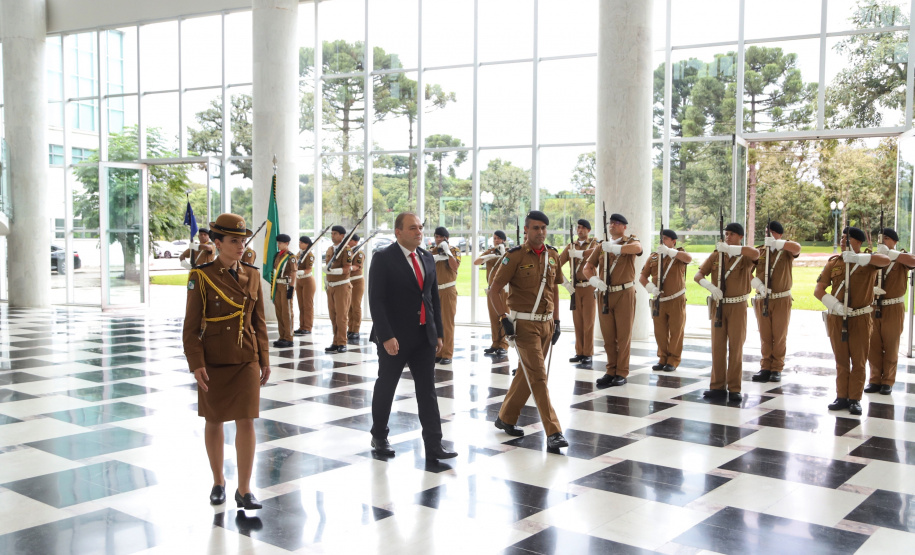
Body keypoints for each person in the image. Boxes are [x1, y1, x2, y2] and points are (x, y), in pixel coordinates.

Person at [182, 213, 270, 510]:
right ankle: (218, 481)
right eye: (234, 241)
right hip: (215, 358)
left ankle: (244, 489)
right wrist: (196, 363)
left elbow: (258, 322)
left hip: (246, 356)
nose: (241, 246)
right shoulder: (201, 276)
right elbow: (190, 327)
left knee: (247, 420)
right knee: (215, 419)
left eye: (243, 240)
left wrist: (265, 359)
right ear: (217, 243)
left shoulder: (252, 274)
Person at [368, 212, 457, 460]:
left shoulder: (427, 257)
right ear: (398, 232)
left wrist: (438, 333)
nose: (419, 232)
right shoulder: (383, 258)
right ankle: (379, 435)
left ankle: (434, 444)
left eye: (420, 227)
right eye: (413, 228)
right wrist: (386, 336)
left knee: (427, 390)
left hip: (423, 336)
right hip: (394, 337)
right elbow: (376, 300)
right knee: (387, 386)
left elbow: (433, 299)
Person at [489, 210, 568, 450]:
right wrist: (503, 317)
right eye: (535, 228)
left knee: (527, 373)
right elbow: (494, 289)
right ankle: (554, 432)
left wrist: (557, 321)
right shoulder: (514, 256)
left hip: (546, 324)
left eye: (543, 228)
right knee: (539, 377)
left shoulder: (553, 255)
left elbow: (554, 288)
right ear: (526, 230)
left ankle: (506, 418)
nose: (540, 232)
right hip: (524, 325)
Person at [815, 226, 889, 415]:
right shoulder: (834, 263)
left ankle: (855, 399)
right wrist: (835, 305)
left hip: (860, 317)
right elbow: (819, 290)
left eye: (847, 238)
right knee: (841, 360)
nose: (842, 241)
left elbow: (886, 260)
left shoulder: (868, 260)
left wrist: (860, 258)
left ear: (858, 242)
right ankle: (841, 396)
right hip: (837, 317)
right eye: (841, 238)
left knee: (858, 361)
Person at [695, 222, 760, 402]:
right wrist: (710, 287)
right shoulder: (717, 255)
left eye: (732, 234)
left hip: (737, 306)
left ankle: (734, 388)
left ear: (740, 237)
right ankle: (717, 386)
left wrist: (733, 250)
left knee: (736, 347)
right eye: (726, 234)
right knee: (717, 347)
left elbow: (756, 253)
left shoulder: (744, 256)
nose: (728, 237)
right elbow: (698, 275)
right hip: (719, 305)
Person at [582, 213, 643, 387]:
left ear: (624, 227)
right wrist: (594, 281)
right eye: (611, 223)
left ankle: (621, 372)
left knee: (623, 336)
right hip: (605, 294)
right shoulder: (602, 246)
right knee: (608, 337)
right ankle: (610, 370)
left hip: (624, 293)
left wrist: (616, 249)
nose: (613, 225)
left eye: (617, 223)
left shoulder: (630, 242)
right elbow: (588, 267)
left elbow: (638, 248)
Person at [750, 221, 801, 383]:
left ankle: (777, 367)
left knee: (779, 335)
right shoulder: (760, 251)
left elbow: (797, 248)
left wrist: (778, 244)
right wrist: (758, 285)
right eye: (767, 232)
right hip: (762, 298)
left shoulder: (786, 250)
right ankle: (765, 366)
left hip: (781, 298)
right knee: (765, 335)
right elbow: (746, 271)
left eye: (771, 232)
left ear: (779, 234)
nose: (768, 235)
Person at [866, 227, 914, 395]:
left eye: (886, 238)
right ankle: (874, 379)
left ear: (894, 241)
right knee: (873, 345)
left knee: (891, 345)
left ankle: (887, 380)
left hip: (893, 307)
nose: (883, 241)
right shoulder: (873, 257)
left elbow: (913, 261)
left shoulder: (901, 258)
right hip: (873, 306)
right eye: (880, 238)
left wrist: (891, 254)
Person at [639, 229, 692, 372]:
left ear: (673, 241)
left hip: (676, 299)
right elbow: (642, 277)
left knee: (676, 331)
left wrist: (670, 252)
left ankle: (673, 360)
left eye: (666, 238)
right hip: (659, 300)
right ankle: (662, 358)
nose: (662, 241)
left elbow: (688, 259)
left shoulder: (678, 254)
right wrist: (650, 288)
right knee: (660, 332)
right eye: (661, 238)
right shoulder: (654, 257)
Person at [559, 219, 599, 369]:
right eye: (578, 227)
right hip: (575, 287)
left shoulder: (594, 244)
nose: (580, 230)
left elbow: (596, 254)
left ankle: (587, 353)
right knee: (577, 321)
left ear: (588, 230)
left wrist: (579, 254)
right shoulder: (571, 246)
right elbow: (557, 263)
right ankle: (579, 352)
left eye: (583, 228)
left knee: (588, 321)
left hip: (589, 286)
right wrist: (565, 282)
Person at [473, 230, 509, 356]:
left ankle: (504, 344)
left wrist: (502, 254)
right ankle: (495, 343)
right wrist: (489, 256)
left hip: (504, 289)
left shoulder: (509, 252)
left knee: (504, 316)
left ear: (504, 240)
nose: (496, 241)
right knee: (493, 317)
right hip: (491, 290)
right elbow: (476, 262)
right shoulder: (490, 251)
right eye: (494, 238)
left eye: (498, 238)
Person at [432, 226, 461, 365]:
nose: (438, 239)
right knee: (435, 323)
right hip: (434, 290)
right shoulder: (432, 250)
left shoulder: (454, 250)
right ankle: (438, 352)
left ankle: (447, 353)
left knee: (447, 323)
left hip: (448, 290)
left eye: (441, 237)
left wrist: (447, 252)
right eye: (436, 237)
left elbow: (455, 266)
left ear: (446, 238)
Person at [324, 225, 353, 353]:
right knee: (333, 316)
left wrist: (334, 271)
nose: (333, 236)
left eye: (335, 233)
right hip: (331, 286)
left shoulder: (346, 250)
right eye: (332, 233)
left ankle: (342, 342)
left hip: (342, 285)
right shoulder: (330, 249)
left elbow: (347, 268)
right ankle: (335, 341)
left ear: (342, 236)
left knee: (341, 316)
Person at [271, 234, 297, 348]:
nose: (278, 245)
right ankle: (282, 336)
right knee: (279, 311)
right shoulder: (278, 255)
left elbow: (294, 272)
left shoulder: (291, 257)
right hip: (278, 285)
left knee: (287, 313)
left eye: (280, 243)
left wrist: (291, 287)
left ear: (286, 243)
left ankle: (289, 337)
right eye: (278, 243)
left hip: (286, 285)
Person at [294, 236, 316, 336]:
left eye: (301, 242)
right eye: (299, 242)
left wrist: (299, 272)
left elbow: (309, 269)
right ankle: (302, 326)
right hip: (299, 280)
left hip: (307, 280)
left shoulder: (309, 255)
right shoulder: (299, 254)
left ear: (307, 244)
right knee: (301, 305)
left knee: (308, 305)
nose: (299, 244)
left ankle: (308, 327)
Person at [347, 234, 366, 341]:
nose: (347, 242)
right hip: (348, 281)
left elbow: (357, 266)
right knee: (349, 306)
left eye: (349, 240)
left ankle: (356, 330)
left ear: (355, 241)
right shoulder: (348, 252)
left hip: (357, 281)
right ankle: (350, 328)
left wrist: (346, 268)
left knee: (356, 306)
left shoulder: (359, 253)